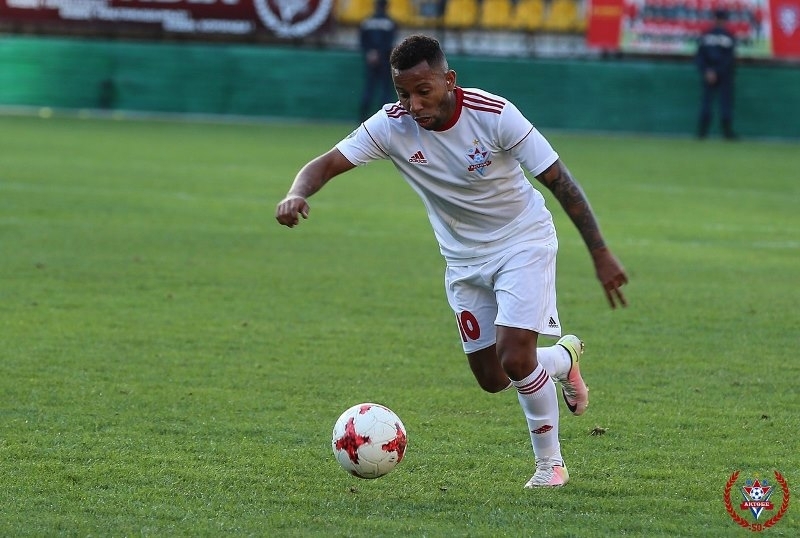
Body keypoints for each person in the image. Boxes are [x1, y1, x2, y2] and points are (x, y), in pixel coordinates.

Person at [276, 35, 628, 488]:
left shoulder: (494, 114)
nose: (414, 104)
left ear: (449, 80)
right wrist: (296, 193)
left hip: (522, 241)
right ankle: (562, 358)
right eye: (403, 93)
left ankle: (550, 467)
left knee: (515, 356)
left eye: (424, 91)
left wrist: (600, 252)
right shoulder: (391, 125)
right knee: (493, 377)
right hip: (462, 260)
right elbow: (324, 164)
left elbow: (560, 181)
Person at [696, 9, 738, 140]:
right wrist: (715, 71)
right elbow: (729, 59)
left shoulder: (706, 35)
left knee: (708, 102)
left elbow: (699, 57)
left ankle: (702, 133)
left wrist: (708, 71)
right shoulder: (728, 35)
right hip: (724, 73)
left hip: (711, 74)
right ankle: (726, 133)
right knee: (724, 103)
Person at [358, 0, 398, 122]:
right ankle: (386, 119)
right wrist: (380, 53)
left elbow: (362, 40)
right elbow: (390, 42)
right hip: (385, 59)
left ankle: (362, 118)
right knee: (385, 90)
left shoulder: (367, 22)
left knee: (369, 89)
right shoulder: (390, 22)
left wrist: (370, 52)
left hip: (370, 60)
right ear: (386, 7)